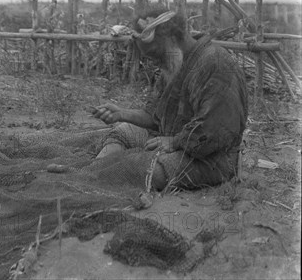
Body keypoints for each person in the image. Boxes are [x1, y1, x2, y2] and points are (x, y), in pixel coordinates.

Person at [92, 11, 248, 191]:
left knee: (142, 168)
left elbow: (214, 132)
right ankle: (94, 172)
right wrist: (121, 114)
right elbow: (155, 116)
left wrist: (174, 142)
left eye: (156, 54)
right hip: (172, 138)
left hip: (211, 158)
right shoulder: (175, 64)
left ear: (172, 38)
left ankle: (98, 177)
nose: (155, 62)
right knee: (121, 132)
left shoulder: (216, 63)